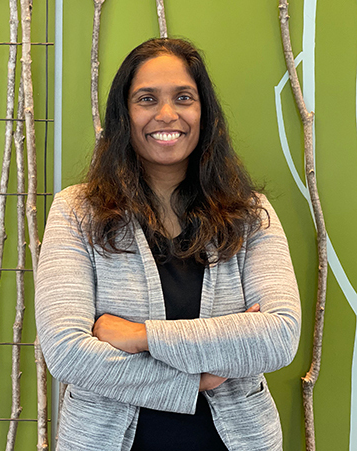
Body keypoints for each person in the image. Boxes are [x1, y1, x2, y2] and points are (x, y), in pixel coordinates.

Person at [35, 38, 301, 451]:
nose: (166, 114)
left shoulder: (250, 214)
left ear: (203, 112)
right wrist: (196, 380)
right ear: (124, 114)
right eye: (146, 99)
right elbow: (68, 352)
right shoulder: (76, 211)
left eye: (183, 97)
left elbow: (279, 336)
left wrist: (140, 336)